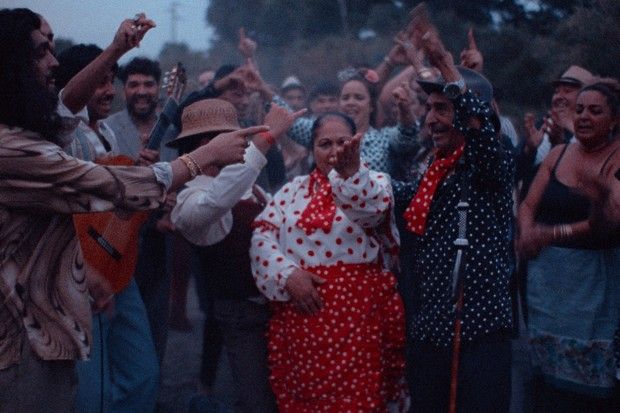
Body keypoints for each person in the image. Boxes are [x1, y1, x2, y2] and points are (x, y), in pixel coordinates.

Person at [0, 7, 264, 411]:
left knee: (140, 376)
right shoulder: (13, 149)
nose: (52, 63)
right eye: (40, 52)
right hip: (22, 339)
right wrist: (202, 157)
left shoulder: (51, 130)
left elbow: (64, 110)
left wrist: (116, 49)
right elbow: (106, 184)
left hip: (70, 303)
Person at [393, 25, 515, 411]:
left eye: (441, 108)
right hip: (430, 331)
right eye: (429, 109)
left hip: (479, 335)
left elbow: (482, 134)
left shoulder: (491, 162)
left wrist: (446, 64)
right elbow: (391, 195)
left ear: (466, 111)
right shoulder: (428, 170)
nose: (430, 119)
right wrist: (349, 175)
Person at [250, 112, 406, 411]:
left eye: (343, 142)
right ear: (312, 150)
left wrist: (350, 176)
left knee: (359, 401)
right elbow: (262, 236)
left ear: (355, 144)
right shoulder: (291, 191)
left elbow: (372, 212)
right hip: (303, 325)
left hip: (361, 323)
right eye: (324, 144)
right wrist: (287, 275)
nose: (335, 151)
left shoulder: (375, 183)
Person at [170, 99, 304, 413]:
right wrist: (266, 139)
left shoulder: (250, 187)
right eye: (237, 138)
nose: (244, 143)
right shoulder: (191, 196)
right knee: (258, 402)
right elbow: (217, 201)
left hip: (277, 311)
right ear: (207, 144)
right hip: (240, 316)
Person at [517, 82, 620, 412]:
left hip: (594, 291)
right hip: (547, 291)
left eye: (595, 110)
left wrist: (550, 234)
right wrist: (527, 233)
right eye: (580, 110)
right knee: (547, 388)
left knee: (590, 397)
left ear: (614, 120)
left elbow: (609, 219)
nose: (585, 116)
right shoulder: (558, 154)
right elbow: (529, 204)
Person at [105, 56, 176, 364]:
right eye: (134, 84)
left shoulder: (173, 130)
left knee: (157, 324)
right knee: (119, 331)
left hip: (161, 245)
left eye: (149, 84)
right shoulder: (109, 129)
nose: (142, 91)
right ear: (124, 90)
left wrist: (172, 203)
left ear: (159, 88)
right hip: (117, 242)